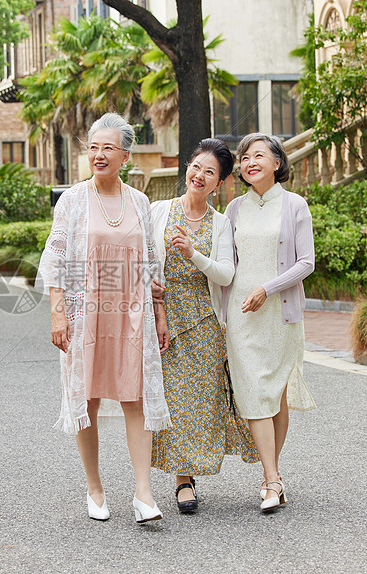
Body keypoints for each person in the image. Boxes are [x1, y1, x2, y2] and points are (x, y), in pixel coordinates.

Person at [38, 112, 172, 524]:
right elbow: (57, 259)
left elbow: (150, 263)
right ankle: (94, 488)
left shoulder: (140, 201)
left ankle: (143, 493)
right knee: (88, 399)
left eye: (107, 147)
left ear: (125, 155)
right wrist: (59, 314)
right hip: (86, 314)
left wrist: (160, 312)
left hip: (132, 314)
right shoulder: (73, 200)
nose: (98, 154)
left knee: (135, 397)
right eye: (93, 147)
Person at [149, 139, 259, 514]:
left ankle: (190, 472)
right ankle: (182, 480)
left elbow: (226, 275)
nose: (199, 175)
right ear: (187, 168)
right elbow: (143, 259)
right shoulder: (159, 211)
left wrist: (193, 253)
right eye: (196, 166)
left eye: (209, 172)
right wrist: (150, 290)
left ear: (219, 183)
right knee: (172, 401)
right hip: (164, 320)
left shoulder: (220, 223)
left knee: (199, 402)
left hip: (205, 322)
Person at [222, 133, 316, 512]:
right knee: (255, 393)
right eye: (244, 157)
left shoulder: (295, 206)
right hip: (242, 315)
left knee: (275, 396)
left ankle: (269, 478)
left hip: (281, 313)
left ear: (277, 163)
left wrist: (267, 288)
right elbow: (226, 266)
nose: (249, 162)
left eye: (258, 155)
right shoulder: (232, 210)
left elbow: (305, 262)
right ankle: (274, 480)